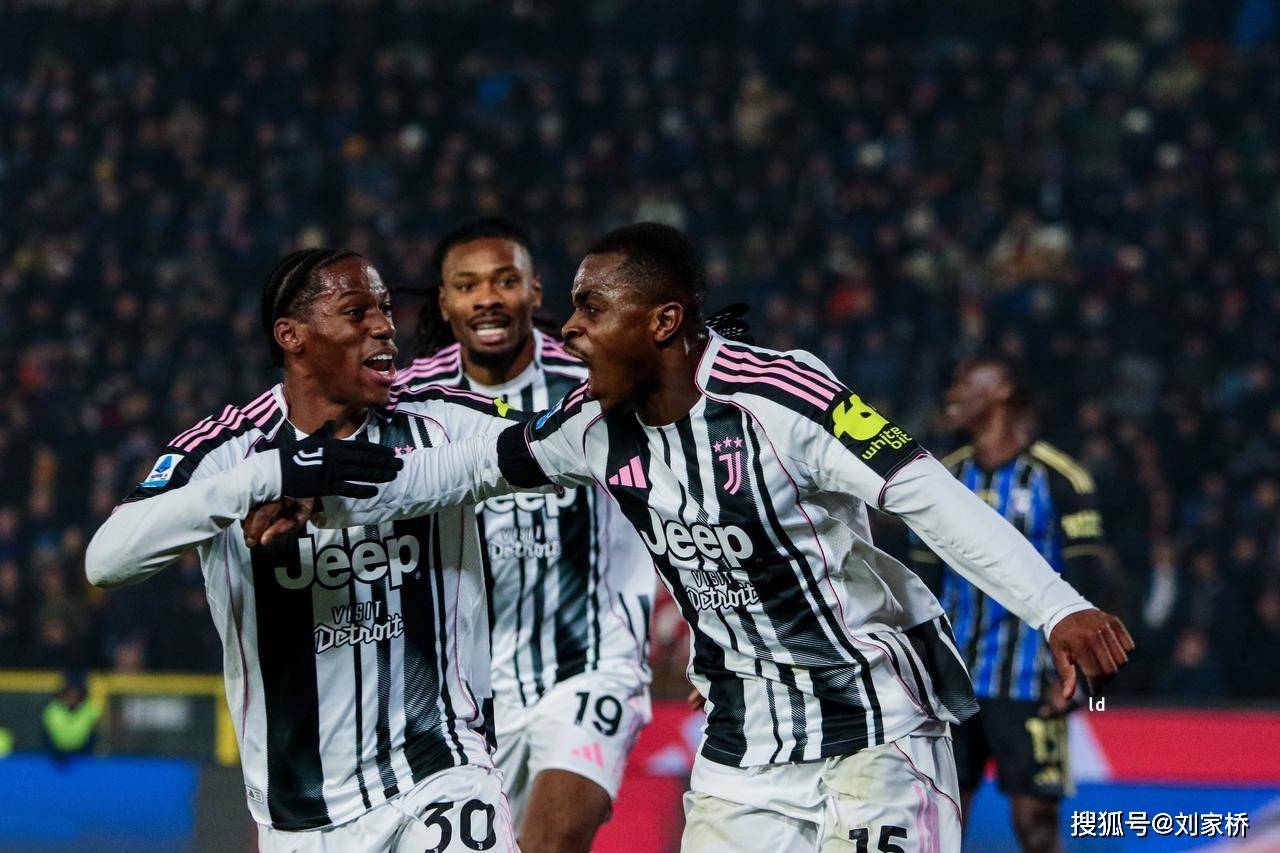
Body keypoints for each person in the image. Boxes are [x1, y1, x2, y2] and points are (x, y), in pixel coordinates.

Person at [265, 223, 1135, 853]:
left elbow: (930, 498)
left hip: (876, 734)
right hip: (741, 753)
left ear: (662, 322)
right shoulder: (591, 425)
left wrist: (1056, 607)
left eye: (591, 307)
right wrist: (320, 493)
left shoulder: (783, 396)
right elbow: (461, 469)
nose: (569, 329)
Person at [86, 248, 522, 852]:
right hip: (300, 816)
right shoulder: (228, 451)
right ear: (292, 336)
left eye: (385, 309)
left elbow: (555, 443)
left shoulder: (441, 420)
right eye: (357, 312)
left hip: (438, 772)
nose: (384, 326)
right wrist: (268, 477)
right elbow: (105, 560)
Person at [403, 218, 653, 852]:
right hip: (464, 694)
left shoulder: (596, 382)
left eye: (504, 281)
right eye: (468, 286)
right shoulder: (413, 399)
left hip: (589, 664)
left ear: (534, 291)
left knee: (554, 839)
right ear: (445, 302)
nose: (487, 298)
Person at [911, 355, 1117, 853]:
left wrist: (1076, 677)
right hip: (954, 682)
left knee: (1036, 821)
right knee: (941, 820)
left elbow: (1088, 584)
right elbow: (917, 584)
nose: (953, 394)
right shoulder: (941, 477)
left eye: (965, 383)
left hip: (1031, 681)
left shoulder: (1060, 478)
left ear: (1002, 391)